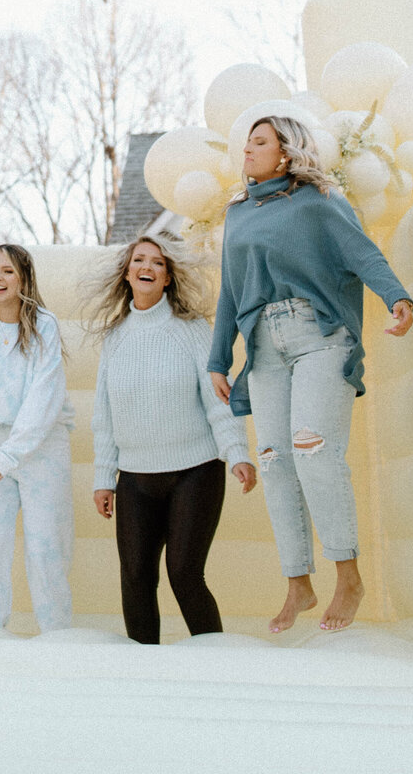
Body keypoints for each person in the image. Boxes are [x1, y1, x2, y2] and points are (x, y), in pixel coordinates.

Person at [208, 111, 413, 634]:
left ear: (286, 152)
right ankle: (298, 582)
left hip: (318, 335)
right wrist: (218, 359)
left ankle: (348, 576)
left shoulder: (320, 201)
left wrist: (397, 297)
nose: (247, 150)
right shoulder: (238, 214)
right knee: (275, 461)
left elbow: (363, 254)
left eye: (259, 142)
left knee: (313, 450)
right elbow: (230, 290)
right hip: (263, 346)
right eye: (246, 142)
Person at [88, 234, 256, 645]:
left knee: (184, 572)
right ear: (127, 273)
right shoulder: (115, 338)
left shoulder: (192, 329)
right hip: (135, 479)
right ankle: (145, 667)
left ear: (167, 278)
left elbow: (218, 397)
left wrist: (237, 452)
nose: (147, 266)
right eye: (139, 260)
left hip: (194, 472)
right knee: (136, 576)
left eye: (158, 262)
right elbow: (105, 416)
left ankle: (214, 660)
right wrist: (104, 479)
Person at [0, 243, 74, 633]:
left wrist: (9, 455)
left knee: (46, 549)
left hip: (41, 449)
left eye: (8, 271)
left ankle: (56, 634)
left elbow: (44, 399)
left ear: (24, 278)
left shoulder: (45, 326)